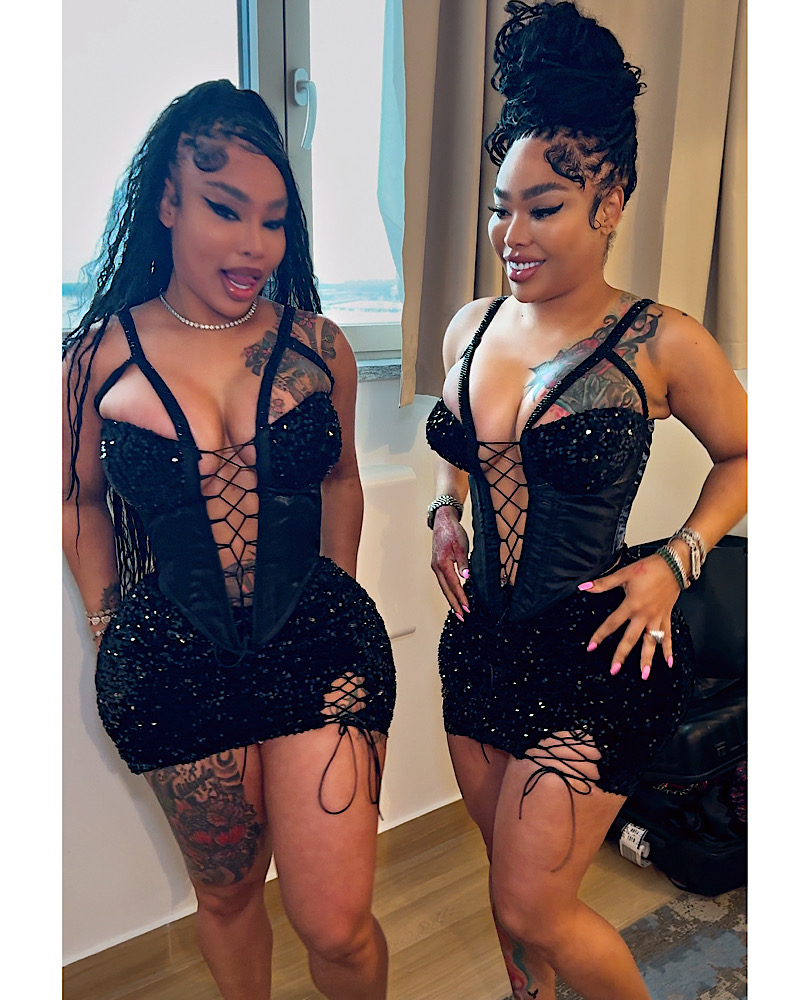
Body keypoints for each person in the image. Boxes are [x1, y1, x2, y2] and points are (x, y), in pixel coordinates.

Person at [425, 4, 746, 999]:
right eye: (501, 207)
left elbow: (745, 455)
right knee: (507, 884)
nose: (510, 235)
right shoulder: (469, 327)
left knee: (538, 907)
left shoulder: (662, 340)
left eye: (543, 207)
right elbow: (460, 449)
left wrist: (676, 561)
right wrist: (444, 512)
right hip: (478, 644)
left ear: (609, 202)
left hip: (597, 651)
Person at [62, 80, 395, 1000]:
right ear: (168, 203)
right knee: (229, 896)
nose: (255, 244)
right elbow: (78, 502)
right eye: (225, 209)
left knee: (337, 925)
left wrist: (337, 599)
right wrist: (104, 626)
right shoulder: (98, 355)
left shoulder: (319, 344)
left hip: (317, 649)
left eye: (274, 220)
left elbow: (341, 481)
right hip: (172, 664)